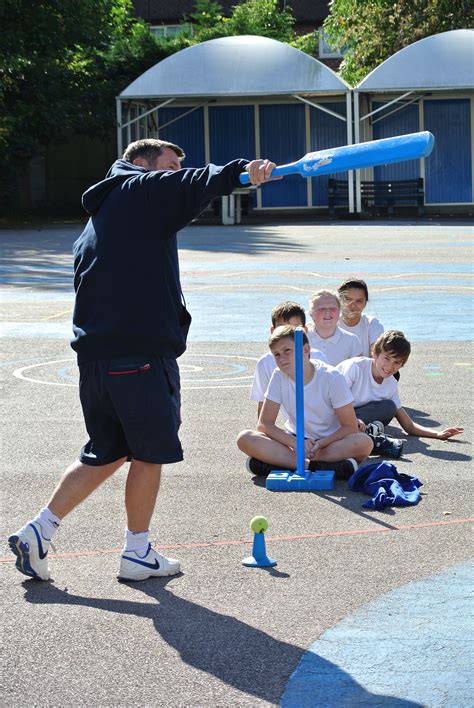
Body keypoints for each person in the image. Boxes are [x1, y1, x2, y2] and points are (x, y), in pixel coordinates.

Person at [8, 138, 276, 582]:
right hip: (138, 356)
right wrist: (242, 172)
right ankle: (137, 552)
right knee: (149, 453)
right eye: (167, 167)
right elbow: (191, 184)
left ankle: (40, 530)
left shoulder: (101, 217)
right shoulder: (137, 191)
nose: (172, 176)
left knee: (107, 452)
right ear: (140, 164)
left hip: (97, 360)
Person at [237, 326, 373, 479]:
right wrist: (296, 444)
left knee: (364, 443)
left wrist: (320, 444)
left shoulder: (332, 377)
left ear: (306, 350)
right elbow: (264, 424)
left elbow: (350, 427)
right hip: (294, 440)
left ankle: (278, 463)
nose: (281, 358)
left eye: (287, 350)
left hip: (329, 442)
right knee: (245, 438)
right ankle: (313, 466)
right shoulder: (278, 376)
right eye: (276, 354)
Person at [336, 330, 464, 443]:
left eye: (397, 362)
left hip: (358, 420)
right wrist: (353, 420)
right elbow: (330, 400)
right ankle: (357, 435)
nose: (390, 366)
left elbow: (409, 425)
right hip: (330, 413)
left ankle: (359, 435)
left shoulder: (391, 383)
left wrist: (437, 434)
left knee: (389, 407)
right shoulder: (355, 367)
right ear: (374, 353)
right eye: (387, 358)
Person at [250, 301, 327, 417]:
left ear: (305, 331)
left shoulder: (318, 357)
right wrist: (264, 431)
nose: (289, 335)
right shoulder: (265, 363)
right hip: (292, 428)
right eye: (283, 329)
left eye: (295, 329)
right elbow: (263, 403)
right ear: (273, 332)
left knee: (356, 435)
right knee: (246, 435)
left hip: (322, 426)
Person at [307, 290, 362, 365]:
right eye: (321, 309)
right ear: (311, 313)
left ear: (340, 312)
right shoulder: (301, 339)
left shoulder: (352, 341)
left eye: (332, 308)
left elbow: (358, 372)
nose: (327, 312)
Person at [337, 278, 384, 357]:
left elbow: (377, 357)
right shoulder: (330, 324)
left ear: (365, 303)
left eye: (359, 301)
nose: (353, 305)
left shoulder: (372, 324)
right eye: (348, 299)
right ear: (339, 300)